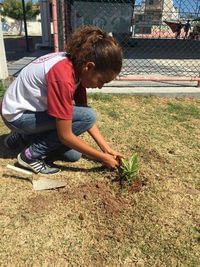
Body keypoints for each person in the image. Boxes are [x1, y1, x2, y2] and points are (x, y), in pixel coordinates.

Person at [1, 25, 123, 174]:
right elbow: (67, 134)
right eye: (101, 81)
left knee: (72, 155)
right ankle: (29, 156)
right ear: (89, 67)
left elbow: (85, 117)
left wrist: (106, 149)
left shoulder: (77, 65)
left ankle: (24, 136)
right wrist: (103, 158)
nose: (100, 87)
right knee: (88, 116)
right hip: (17, 116)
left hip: (29, 111)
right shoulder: (63, 76)